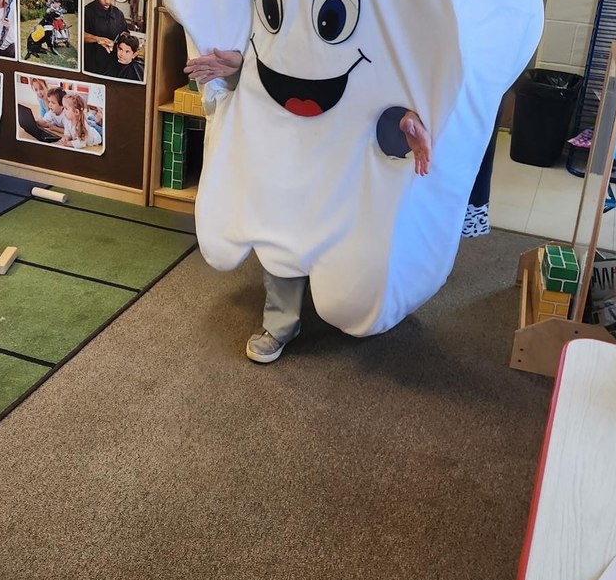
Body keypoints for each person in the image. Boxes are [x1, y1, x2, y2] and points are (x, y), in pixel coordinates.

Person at [184, 47, 432, 364]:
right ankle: (281, 322)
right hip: (291, 138)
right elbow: (268, 63)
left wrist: (408, 116)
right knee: (282, 220)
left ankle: (361, 303)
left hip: (349, 145)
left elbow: (389, 70)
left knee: (355, 240)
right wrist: (242, 71)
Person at [83, 0, 128, 75]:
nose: (107, 1)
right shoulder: (86, 11)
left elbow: (125, 33)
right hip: (91, 66)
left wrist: (123, 42)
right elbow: (79, 35)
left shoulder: (118, 14)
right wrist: (97, 39)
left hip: (113, 67)